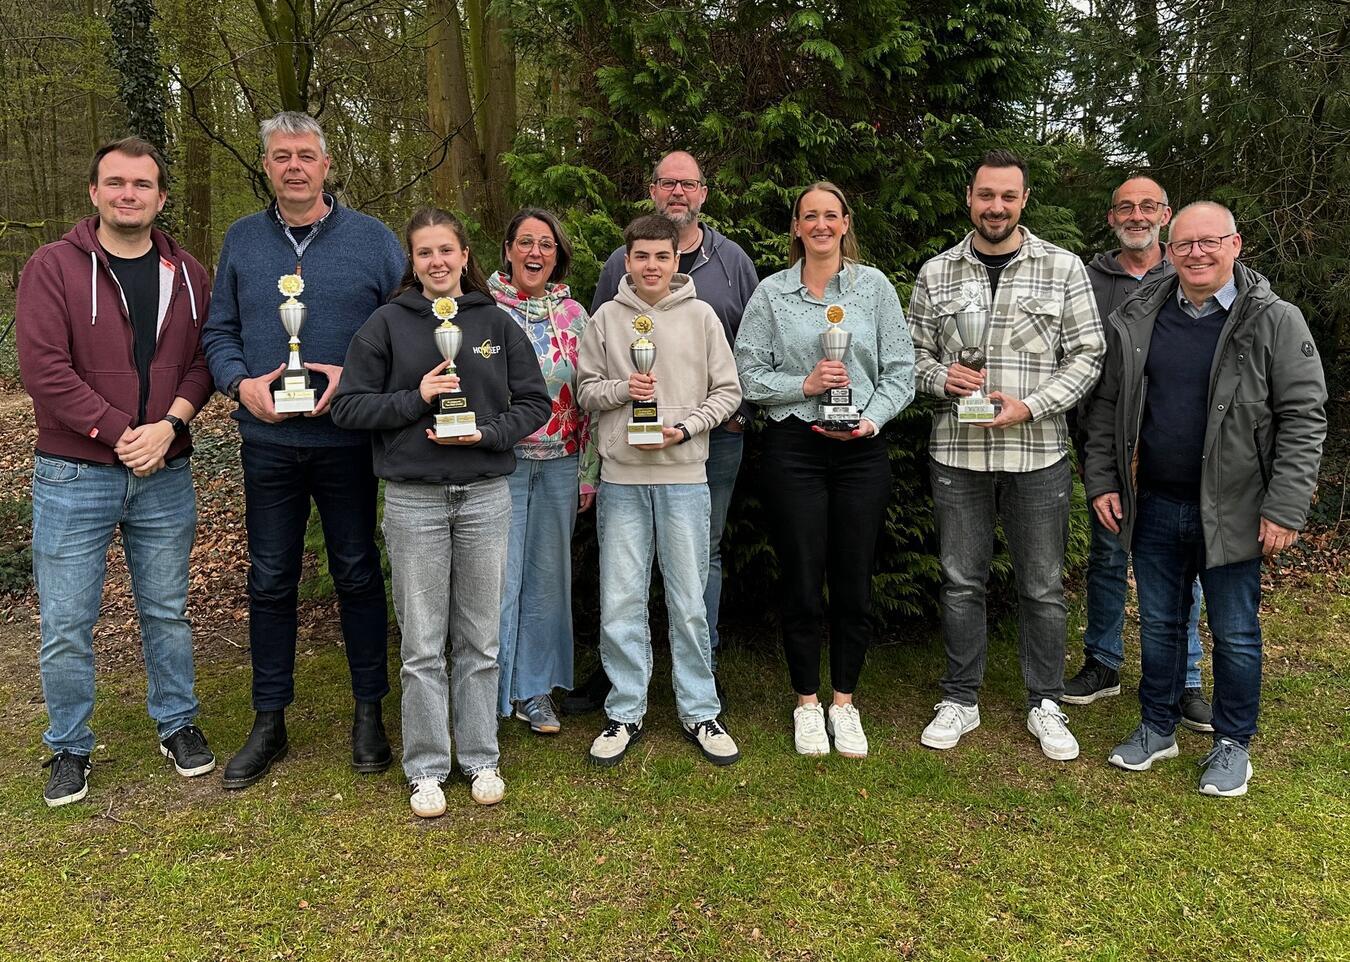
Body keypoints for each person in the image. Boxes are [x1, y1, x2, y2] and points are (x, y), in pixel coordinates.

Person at [1085, 202, 1326, 796]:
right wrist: (1104, 481)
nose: (1196, 252)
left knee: (1236, 630)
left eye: (1209, 242)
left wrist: (1286, 506)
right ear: (1169, 251)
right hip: (1157, 503)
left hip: (1237, 507)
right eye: (1185, 243)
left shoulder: (1274, 319)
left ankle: (1231, 743)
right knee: (1162, 624)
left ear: (1235, 244)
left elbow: (1303, 417)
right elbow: (1109, 409)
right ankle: (1157, 727)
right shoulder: (1141, 318)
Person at [202, 112, 406, 789]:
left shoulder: (374, 241)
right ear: (266, 165)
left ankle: (369, 712)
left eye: (306, 155)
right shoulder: (241, 241)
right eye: (282, 155)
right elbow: (218, 331)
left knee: (356, 571)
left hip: (346, 441)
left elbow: (408, 331)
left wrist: (358, 381)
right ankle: (269, 720)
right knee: (268, 579)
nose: (295, 166)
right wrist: (239, 383)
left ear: (326, 164)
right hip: (267, 442)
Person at [16, 137, 216, 806]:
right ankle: (69, 745)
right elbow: (44, 370)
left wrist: (171, 426)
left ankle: (178, 724)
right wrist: (119, 432)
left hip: (165, 470)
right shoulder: (51, 267)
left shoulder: (188, 273)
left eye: (141, 184)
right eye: (115, 182)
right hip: (74, 475)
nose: (127, 193)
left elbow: (203, 361)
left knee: (167, 611)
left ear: (162, 198)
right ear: (95, 193)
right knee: (68, 620)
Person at [331, 208, 550, 814]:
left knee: (480, 639)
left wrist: (485, 433)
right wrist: (415, 398)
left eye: (446, 251)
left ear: (464, 255)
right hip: (413, 499)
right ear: (413, 260)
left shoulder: (495, 322)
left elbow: (535, 404)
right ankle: (426, 767)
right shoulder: (386, 324)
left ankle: (481, 756)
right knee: (423, 643)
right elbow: (348, 408)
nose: (437, 262)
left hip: (484, 494)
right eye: (425, 253)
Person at [908, 149, 1106, 762]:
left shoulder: (1062, 267)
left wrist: (1033, 405)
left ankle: (1044, 701)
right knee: (961, 580)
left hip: (1037, 451)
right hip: (957, 453)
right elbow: (908, 359)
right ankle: (960, 698)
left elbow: (1088, 356)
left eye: (1008, 197)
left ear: (1024, 201)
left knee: (1043, 586)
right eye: (985, 195)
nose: (996, 207)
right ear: (969, 198)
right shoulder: (936, 272)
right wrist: (945, 380)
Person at [734, 182, 915, 758]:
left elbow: (901, 371)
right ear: (795, 227)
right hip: (795, 449)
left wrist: (874, 419)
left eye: (830, 216)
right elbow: (745, 373)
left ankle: (846, 702)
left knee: (855, 577)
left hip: (861, 448)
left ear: (845, 223)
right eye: (808, 216)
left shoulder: (875, 288)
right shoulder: (771, 294)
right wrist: (803, 385)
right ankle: (807, 703)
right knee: (803, 575)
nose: (819, 225)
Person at [573, 150, 758, 712]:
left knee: (691, 595)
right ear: (625, 261)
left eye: (661, 256)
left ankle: (699, 705)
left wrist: (687, 428)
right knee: (622, 595)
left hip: (688, 468)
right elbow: (587, 390)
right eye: (640, 257)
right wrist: (624, 391)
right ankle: (625, 706)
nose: (650, 266)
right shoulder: (605, 317)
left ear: (677, 257)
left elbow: (729, 390)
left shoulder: (703, 313)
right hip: (623, 475)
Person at [1065, 176, 1212, 733]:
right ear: (1110, 218)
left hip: (1177, 450)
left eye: (1147, 206)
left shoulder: (1190, 274)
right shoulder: (1089, 280)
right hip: (1108, 445)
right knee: (1107, 558)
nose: (1136, 215)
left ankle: (1188, 680)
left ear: (1167, 216)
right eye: (1125, 206)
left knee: (1185, 569)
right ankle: (1103, 663)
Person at [488, 208, 599, 735]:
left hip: (561, 464)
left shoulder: (576, 314)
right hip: (498, 465)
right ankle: (488, 689)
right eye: (525, 242)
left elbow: (593, 396)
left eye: (546, 245)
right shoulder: (481, 309)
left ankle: (535, 691)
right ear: (508, 250)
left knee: (547, 582)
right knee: (497, 580)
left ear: (557, 256)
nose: (535, 252)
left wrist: (589, 471)